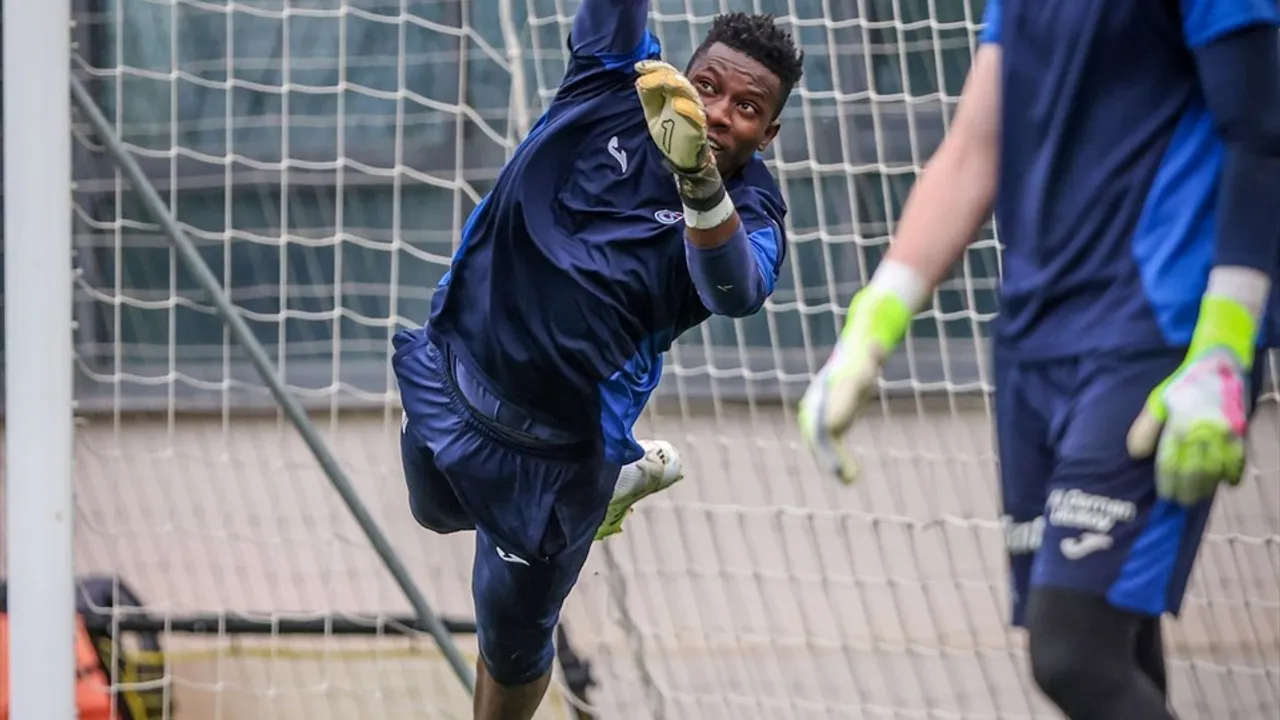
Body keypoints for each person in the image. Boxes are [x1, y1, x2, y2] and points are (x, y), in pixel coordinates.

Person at [797, 1, 1280, 718]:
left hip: (1159, 334)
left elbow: (1264, 134)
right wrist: (870, 327)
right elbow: (973, 147)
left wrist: (1221, 348)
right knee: (1115, 646)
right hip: (1036, 339)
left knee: (1072, 651)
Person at [391, 2, 804, 717]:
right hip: (454, 370)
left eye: (747, 106)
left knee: (510, 636)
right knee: (433, 512)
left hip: (554, 460)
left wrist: (699, 182)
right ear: (681, 74)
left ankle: (601, 487)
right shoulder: (614, 74)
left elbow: (735, 291)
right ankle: (615, 484)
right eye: (707, 85)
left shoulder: (752, 212)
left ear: (766, 134)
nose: (718, 110)